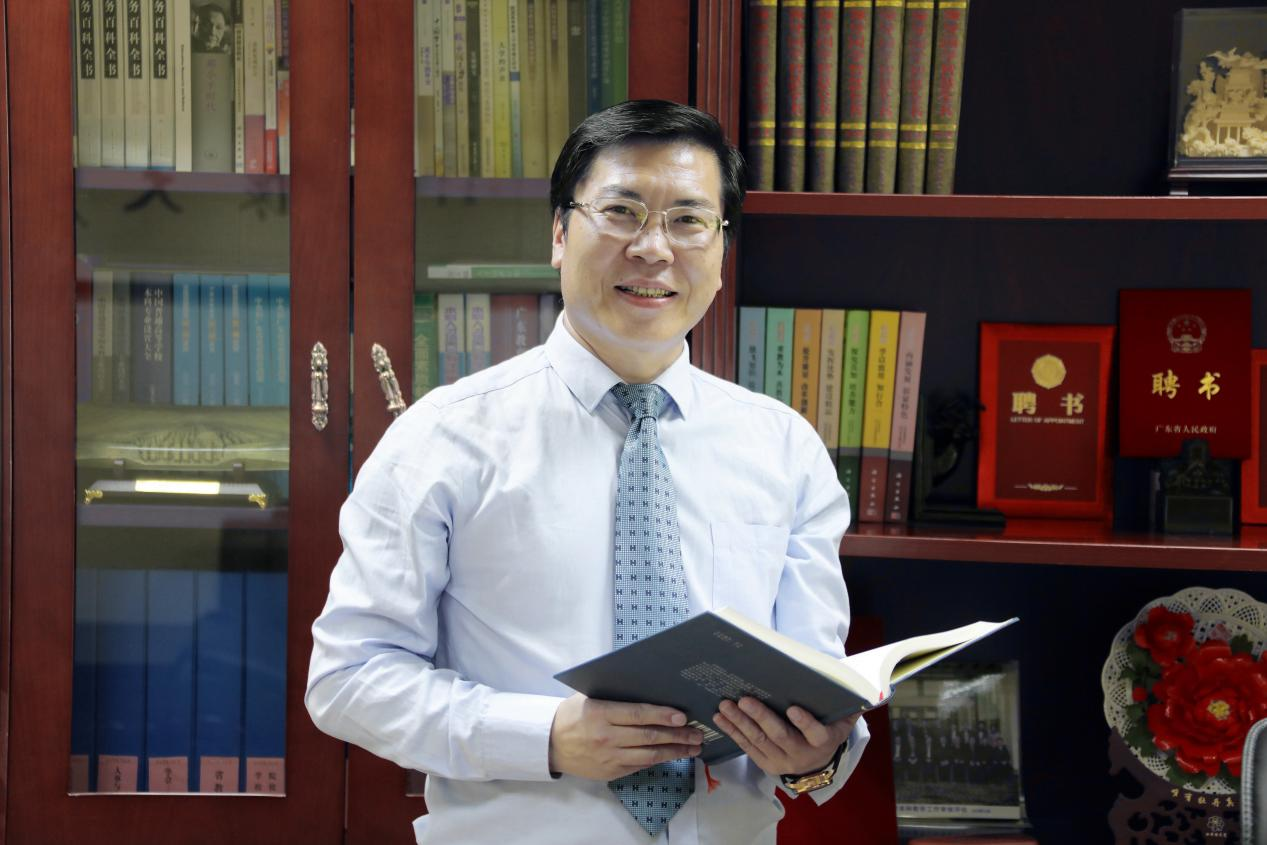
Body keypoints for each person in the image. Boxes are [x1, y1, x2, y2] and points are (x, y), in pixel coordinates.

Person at [306, 99, 870, 844]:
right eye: (621, 212)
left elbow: (817, 683)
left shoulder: (783, 447)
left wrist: (817, 758)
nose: (653, 249)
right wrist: (545, 735)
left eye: (688, 220)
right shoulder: (443, 439)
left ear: (721, 250)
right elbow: (347, 679)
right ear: (559, 233)